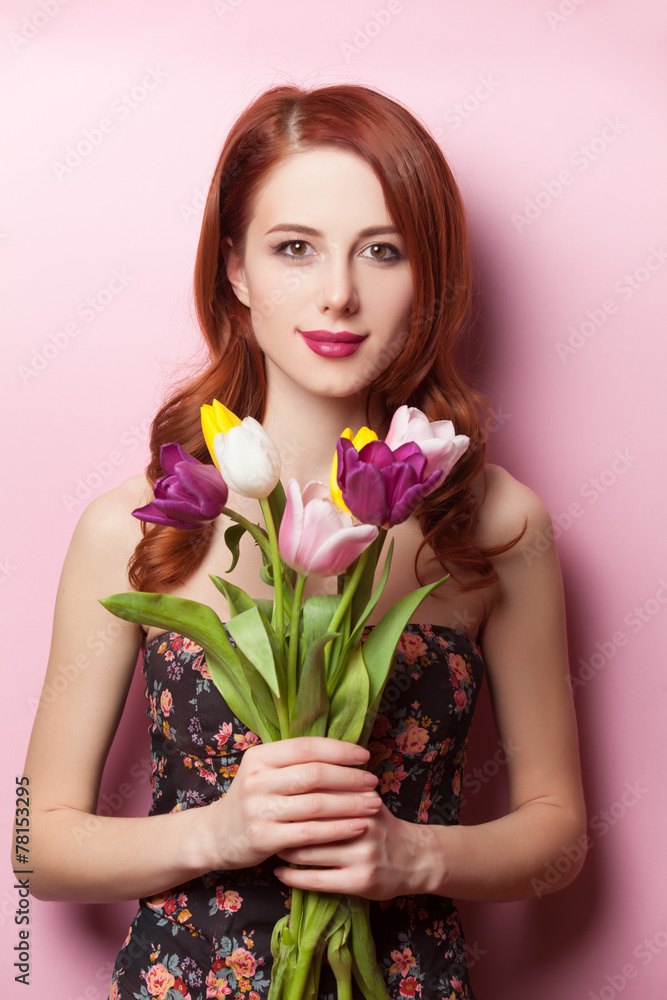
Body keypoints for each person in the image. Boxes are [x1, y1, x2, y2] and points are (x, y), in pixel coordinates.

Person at [19, 84, 586, 999]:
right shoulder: (139, 523)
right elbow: (24, 839)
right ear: (235, 271)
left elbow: (558, 839)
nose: (338, 294)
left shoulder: (492, 524)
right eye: (294, 248)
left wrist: (413, 856)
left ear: (427, 274)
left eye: (382, 250)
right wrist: (217, 831)